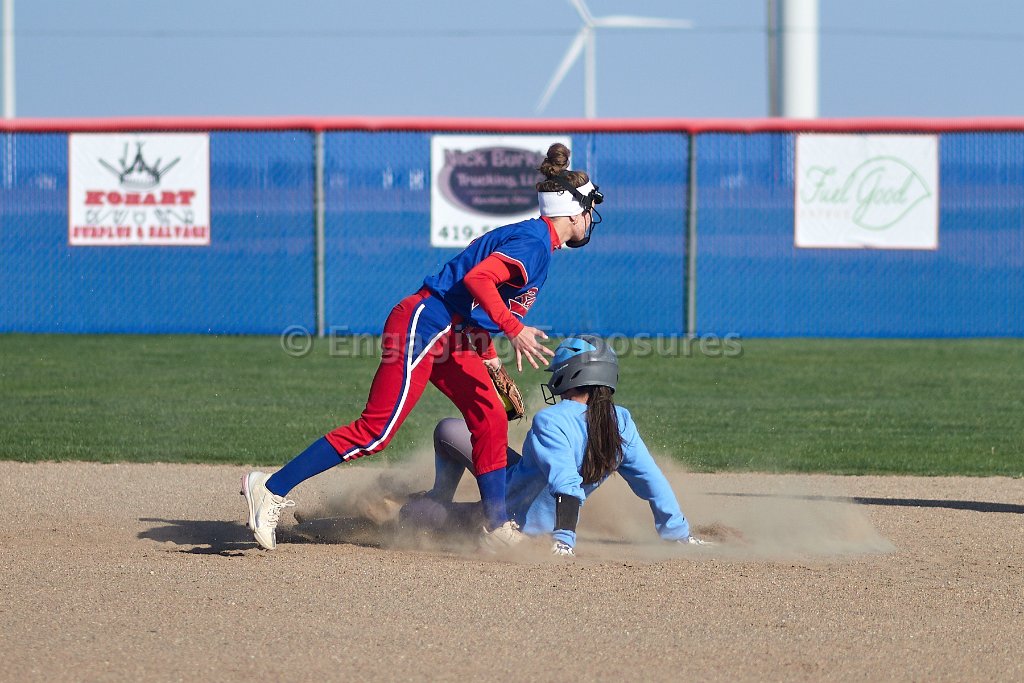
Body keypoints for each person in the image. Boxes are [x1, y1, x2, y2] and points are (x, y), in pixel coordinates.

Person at [241, 143, 606, 551]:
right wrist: (514, 328)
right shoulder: (534, 242)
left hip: (452, 333)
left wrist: (489, 357)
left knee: (490, 415)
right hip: (425, 324)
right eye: (589, 209)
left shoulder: (537, 242)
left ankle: (495, 525)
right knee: (376, 431)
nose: (589, 218)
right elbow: (478, 281)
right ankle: (269, 488)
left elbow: (474, 307)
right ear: (573, 210)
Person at [401, 335, 711, 555]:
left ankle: (434, 500)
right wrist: (678, 534)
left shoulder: (551, 420)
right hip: (527, 493)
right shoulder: (621, 421)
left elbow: (565, 483)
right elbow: (651, 481)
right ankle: (437, 499)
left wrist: (564, 542)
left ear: (567, 376)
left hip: (507, 517)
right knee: (455, 431)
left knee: (418, 507)